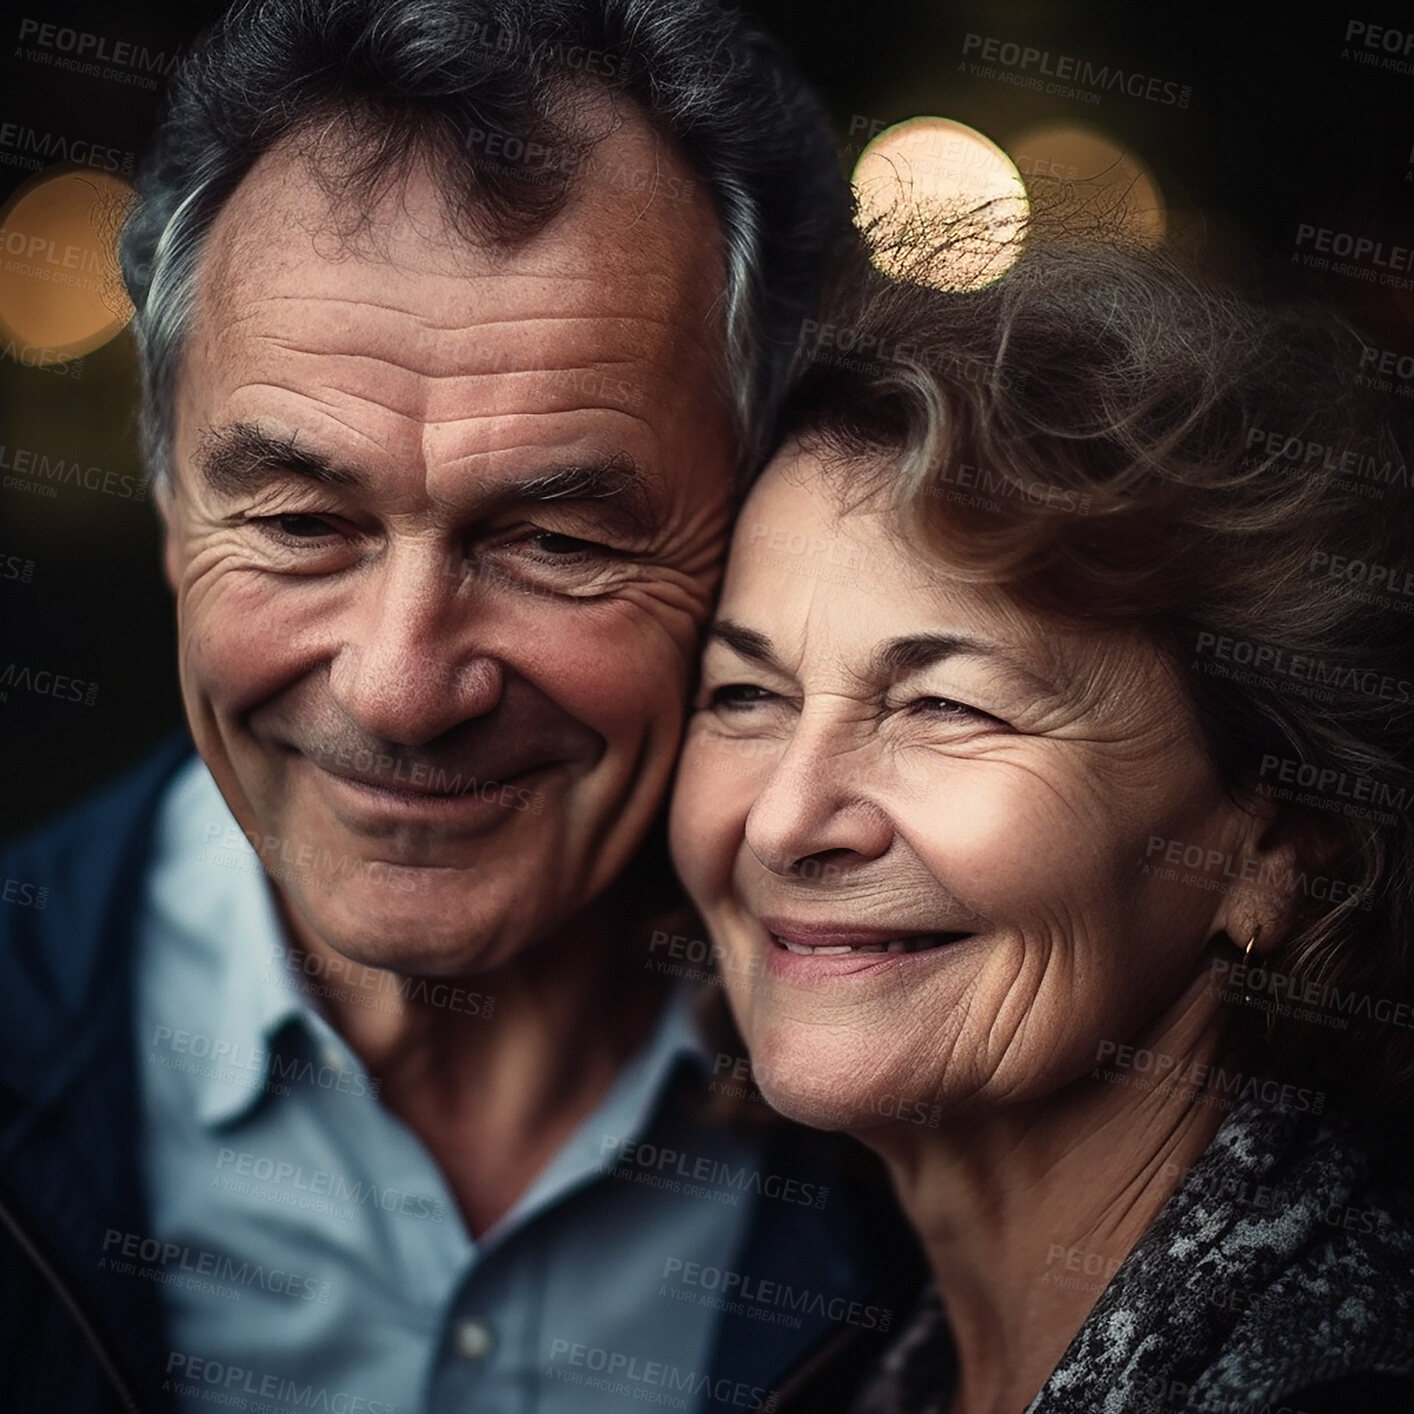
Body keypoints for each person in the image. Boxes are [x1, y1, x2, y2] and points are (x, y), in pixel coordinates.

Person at [0, 2, 923, 1410]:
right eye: (305, 521)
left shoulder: (945, 1119)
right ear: (174, 507)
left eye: (556, 542)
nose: (402, 685)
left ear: (757, 531)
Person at [670, 233, 1414, 1413]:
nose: (784, 819)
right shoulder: (860, 1368)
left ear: (1278, 851)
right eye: (745, 696)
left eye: (945, 707)